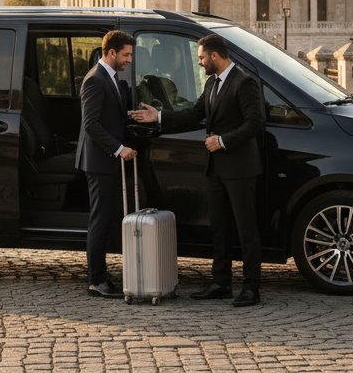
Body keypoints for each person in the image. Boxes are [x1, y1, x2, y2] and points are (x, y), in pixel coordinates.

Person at [130, 32, 264, 306]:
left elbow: (254, 124)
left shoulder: (245, 82)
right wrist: (160, 117)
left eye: (202, 57)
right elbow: (194, 113)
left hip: (240, 168)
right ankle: (221, 283)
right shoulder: (213, 84)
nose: (200, 62)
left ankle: (251, 287)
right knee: (219, 226)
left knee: (245, 228)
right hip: (215, 168)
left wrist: (222, 141)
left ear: (215, 55)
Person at [75, 30, 137, 298]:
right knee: (99, 220)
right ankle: (96, 280)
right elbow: (91, 125)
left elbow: (110, 116)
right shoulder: (94, 80)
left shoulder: (110, 78)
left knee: (106, 218)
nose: (129, 60)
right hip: (100, 161)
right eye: (126, 55)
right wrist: (119, 148)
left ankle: (101, 275)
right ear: (111, 53)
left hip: (106, 160)